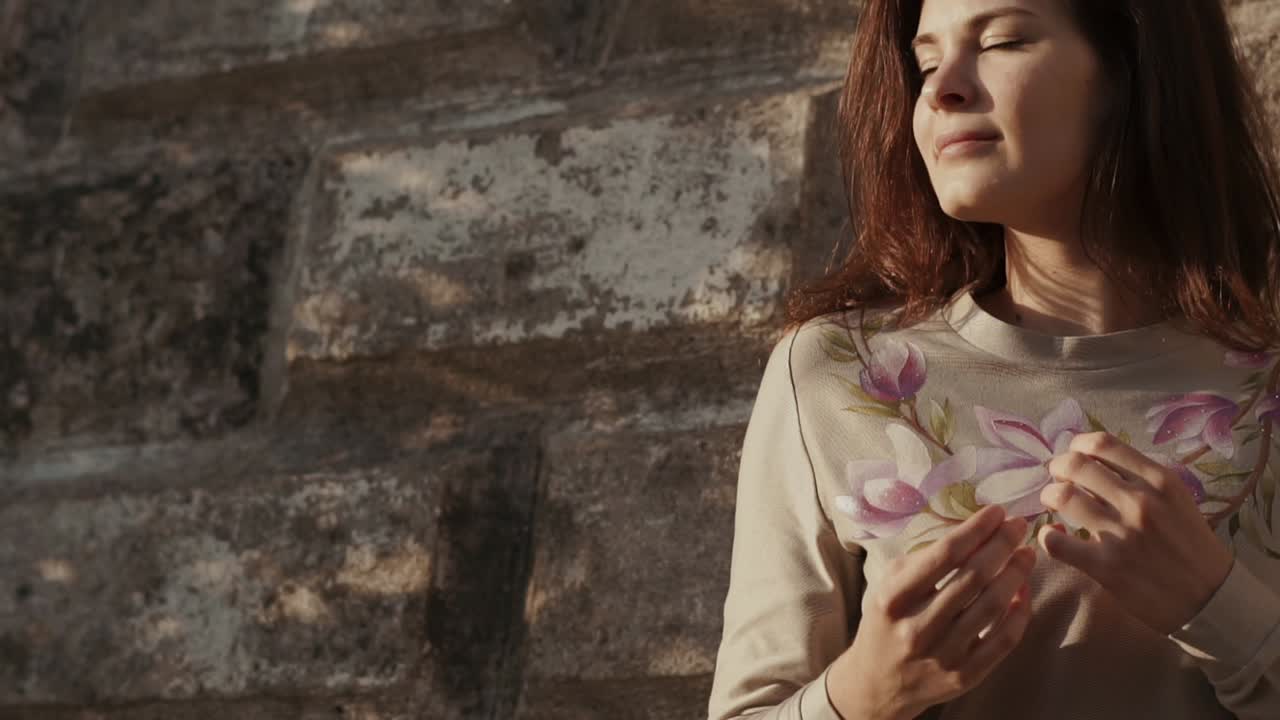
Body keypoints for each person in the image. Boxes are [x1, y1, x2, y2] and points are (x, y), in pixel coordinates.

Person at [705, 0, 1280, 719]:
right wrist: (862, 694)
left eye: (1002, 41)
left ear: (1131, 66)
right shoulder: (839, 374)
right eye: (925, 62)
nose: (944, 88)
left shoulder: (1267, 384)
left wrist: (1218, 607)